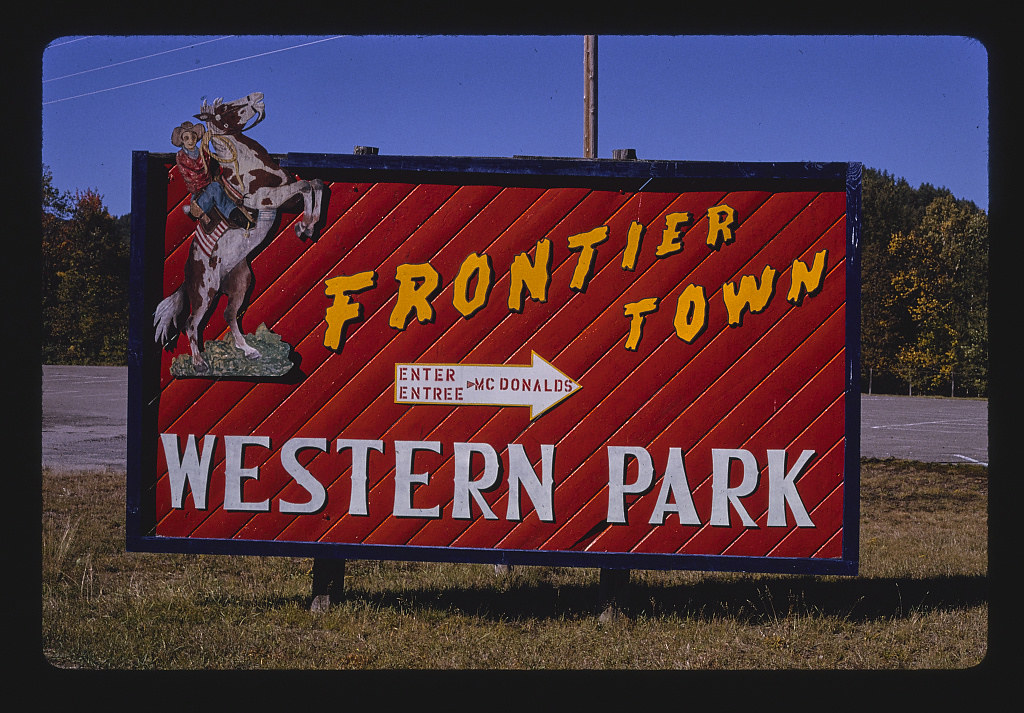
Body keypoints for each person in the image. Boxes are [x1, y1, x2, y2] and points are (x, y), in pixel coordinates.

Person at [171, 121, 252, 229]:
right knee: (215, 188)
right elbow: (194, 175)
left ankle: (240, 217)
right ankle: (238, 219)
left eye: (193, 137)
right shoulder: (181, 156)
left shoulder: (203, 152)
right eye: (186, 138)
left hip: (208, 189)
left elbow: (211, 164)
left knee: (219, 187)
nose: (191, 141)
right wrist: (205, 151)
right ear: (182, 141)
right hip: (199, 196)